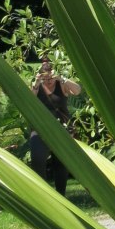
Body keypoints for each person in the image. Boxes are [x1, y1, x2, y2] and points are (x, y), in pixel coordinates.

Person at [28, 60, 82, 195]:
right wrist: (36, 84)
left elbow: (77, 91)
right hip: (40, 128)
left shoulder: (61, 85)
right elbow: (29, 100)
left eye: (50, 78)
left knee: (61, 164)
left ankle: (61, 195)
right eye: (45, 78)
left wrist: (62, 78)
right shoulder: (37, 86)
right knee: (37, 159)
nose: (48, 81)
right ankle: (43, 193)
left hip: (61, 127)